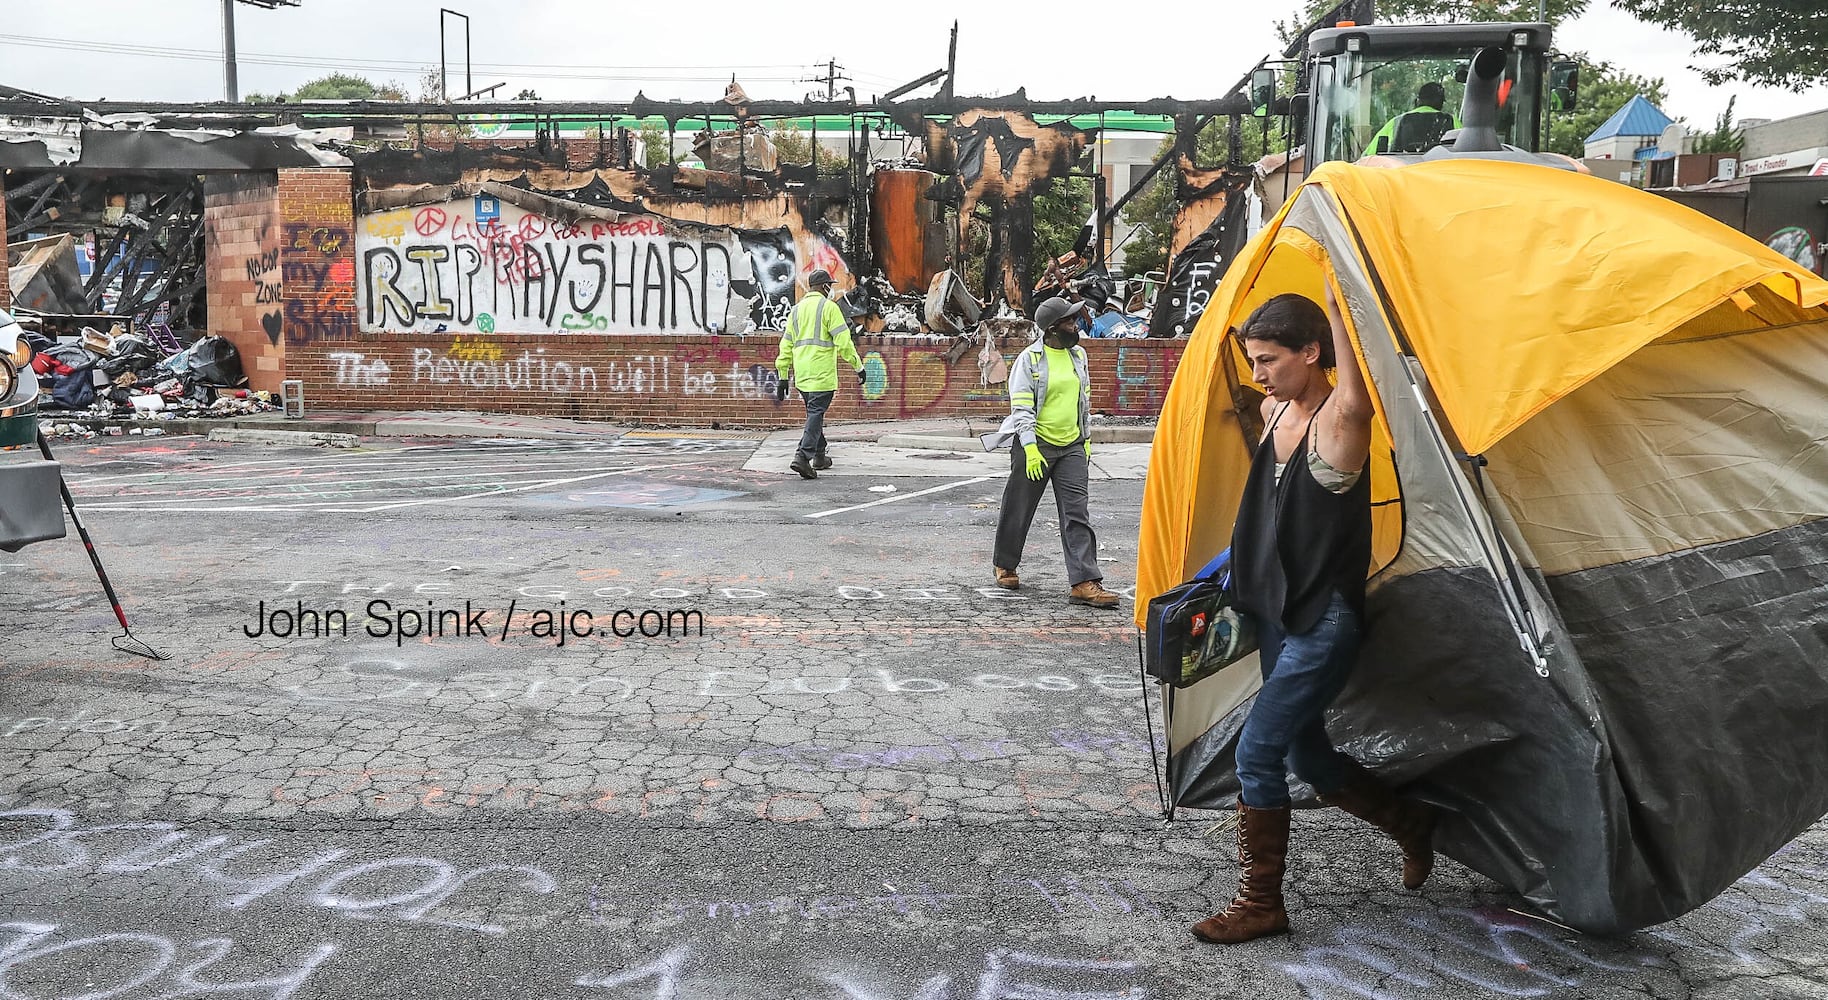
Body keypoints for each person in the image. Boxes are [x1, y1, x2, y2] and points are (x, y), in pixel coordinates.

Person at [1191, 283, 1436, 945]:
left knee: (1258, 751)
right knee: (1309, 755)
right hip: (1275, 610)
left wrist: (1340, 301)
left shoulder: (1341, 420)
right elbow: (1270, 515)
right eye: (1253, 360)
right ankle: (1412, 824)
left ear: (1311, 352)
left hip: (1322, 621)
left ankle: (1261, 902)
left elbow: (1358, 384)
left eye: (1269, 359)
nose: (1258, 373)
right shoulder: (1274, 415)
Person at [983, 296, 1120, 610]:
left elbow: (1083, 400)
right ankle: (1005, 563)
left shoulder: (1078, 356)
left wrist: (1085, 440)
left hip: (1071, 445)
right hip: (1036, 444)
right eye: (1070, 322)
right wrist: (1030, 448)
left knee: (1077, 513)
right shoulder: (1029, 360)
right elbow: (1021, 408)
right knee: (1019, 506)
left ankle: (1085, 581)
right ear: (1052, 329)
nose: (1076, 326)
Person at [774, 269, 865, 480]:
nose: (831, 290)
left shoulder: (795, 311)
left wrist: (782, 376)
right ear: (824, 286)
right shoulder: (829, 308)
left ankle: (820, 456)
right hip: (822, 374)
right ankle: (802, 457)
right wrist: (858, 367)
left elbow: (786, 345)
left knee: (814, 414)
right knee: (815, 414)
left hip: (803, 375)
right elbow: (844, 343)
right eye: (830, 286)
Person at [1362, 82, 1458, 157]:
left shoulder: (1396, 122)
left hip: (1402, 177)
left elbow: (1368, 156)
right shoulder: (1453, 121)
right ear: (1441, 103)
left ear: (1417, 101)